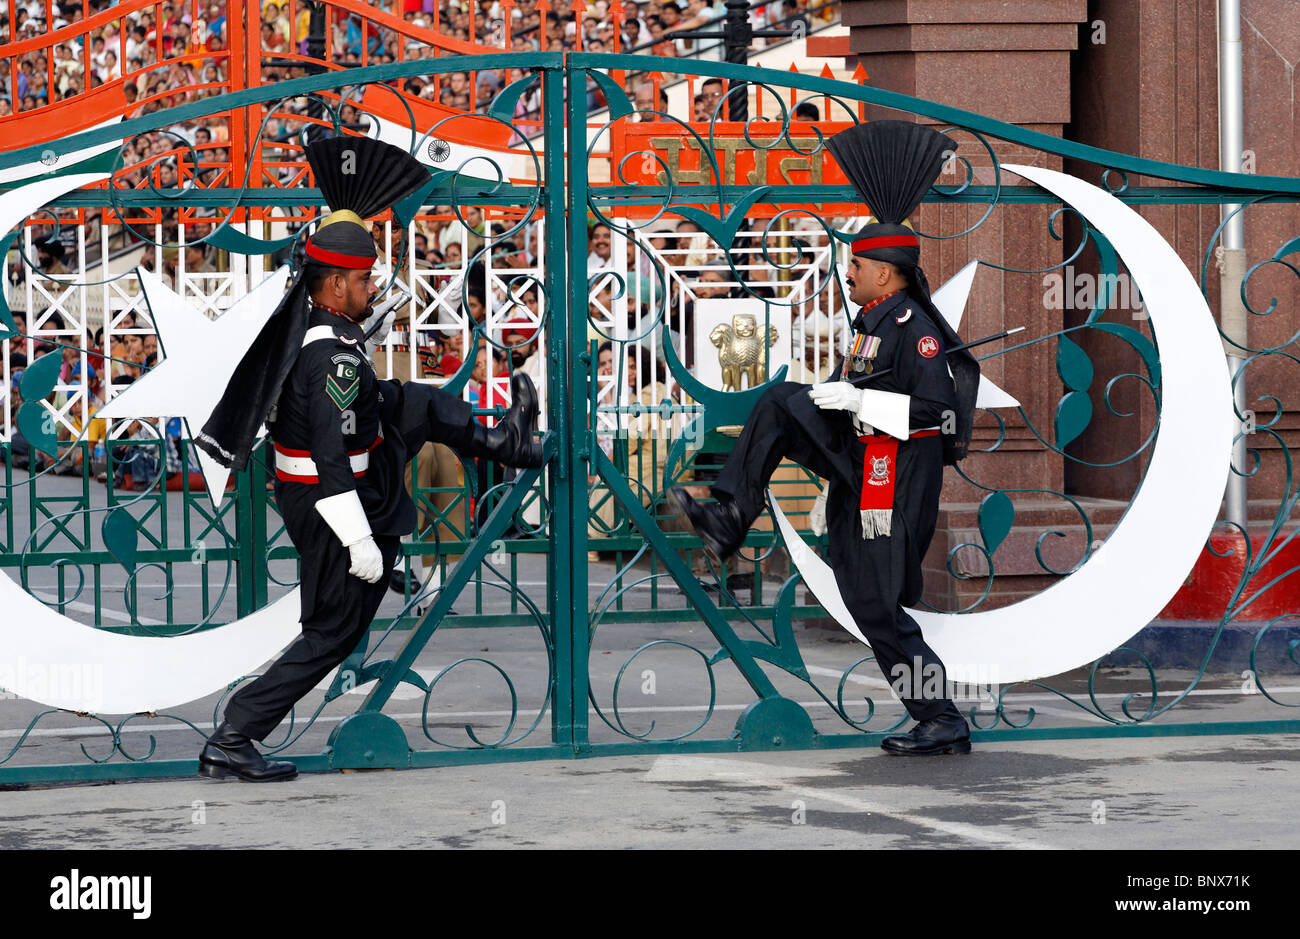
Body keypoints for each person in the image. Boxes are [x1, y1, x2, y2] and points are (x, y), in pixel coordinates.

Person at [194, 136, 545, 782]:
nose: (371, 284)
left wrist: (364, 332)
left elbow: (349, 383)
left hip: (345, 480)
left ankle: (505, 442)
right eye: (362, 279)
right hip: (331, 500)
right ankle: (235, 733)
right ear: (332, 284)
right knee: (332, 633)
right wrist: (359, 539)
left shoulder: (329, 334)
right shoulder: (330, 360)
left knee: (417, 401)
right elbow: (330, 457)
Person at [670, 121, 980, 757]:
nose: (850, 271)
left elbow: (935, 413)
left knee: (876, 606)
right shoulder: (874, 322)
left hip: (894, 481)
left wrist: (862, 398)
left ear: (888, 274)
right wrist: (843, 398)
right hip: (862, 464)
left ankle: (942, 717)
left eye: (859, 263)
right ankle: (732, 513)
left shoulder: (913, 327)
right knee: (781, 400)